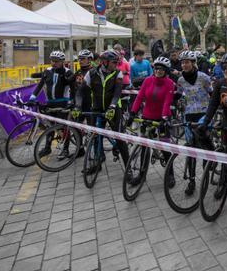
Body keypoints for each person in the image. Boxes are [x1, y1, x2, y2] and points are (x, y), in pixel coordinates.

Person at [78, 50, 128, 169]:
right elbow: (80, 90)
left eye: (117, 62)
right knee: (95, 136)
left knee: (120, 139)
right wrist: (77, 106)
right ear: (104, 62)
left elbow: (117, 93)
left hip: (114, 108)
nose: (115, 65)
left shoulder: (118, 73)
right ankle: (97, 162)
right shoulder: (91, 73)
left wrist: (112, 107)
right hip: (97, 107)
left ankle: (128, 168)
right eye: (113, 62)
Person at [130, 56, 176, 184]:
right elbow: (139, 98)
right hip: (147, 116)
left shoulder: (169, 83)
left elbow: (167, 102)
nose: (158, 71)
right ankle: (141, 174)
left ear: (166, 71)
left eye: (161, 69)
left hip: (162, 117)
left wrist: (164, 118)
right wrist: (132, 113)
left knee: (164, 146)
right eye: (156, 68)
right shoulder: (147, 80)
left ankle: (170, 174)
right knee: (144, 147)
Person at [176, 50, 213, 194]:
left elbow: (212, 95)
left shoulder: (203, 77)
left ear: (193, 63)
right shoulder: (180, 80)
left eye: (187, 62)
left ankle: (207, 171)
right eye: (182, 62)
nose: (184, 65)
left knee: (204, 145)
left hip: (204, 113)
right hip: (189, 114)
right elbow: (179, 95)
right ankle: (191, 180)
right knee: (191, 148)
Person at [29, 50, 74, 157]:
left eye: (56, 61)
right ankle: (47, 148)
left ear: (62, 61)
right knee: (50, 127)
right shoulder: (47, 71)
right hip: (50, 103)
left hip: (62, 103)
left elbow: (73, 88)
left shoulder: (68, 72)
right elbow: (40, 85)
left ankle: (66, 149)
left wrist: (72, 102)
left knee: (62, 127)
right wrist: (32, 97)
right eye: (52, 61)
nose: (53, 63)